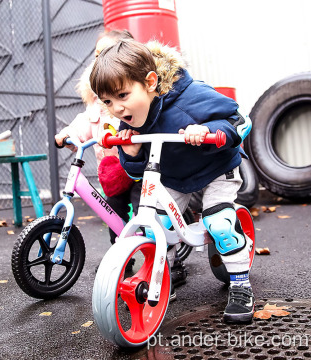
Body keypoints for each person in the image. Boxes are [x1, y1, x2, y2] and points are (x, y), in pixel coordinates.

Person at [90, 39, 254, 324]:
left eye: (122, 95)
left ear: (151, 82)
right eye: (107, 102)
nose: (116, 108)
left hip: (216, 168)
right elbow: (136, 172)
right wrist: (129, 153)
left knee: (220, 223)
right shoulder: (128, 120)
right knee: (157, 227)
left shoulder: (191, 96)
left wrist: (208, 130)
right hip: (176, 176)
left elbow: (240, 120)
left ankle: (241, 285)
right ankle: (161, 279)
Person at [55, 31, 187, 296]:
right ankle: (121, 261)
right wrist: (68, 133)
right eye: (97, 55)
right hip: (113, 172)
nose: (102, 58)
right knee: (113, 215)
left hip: (141, 170)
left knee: (148, 215)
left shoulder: (132, 97)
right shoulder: (99, 103)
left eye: (110, 51)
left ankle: (168, 264)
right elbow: (84, 121)